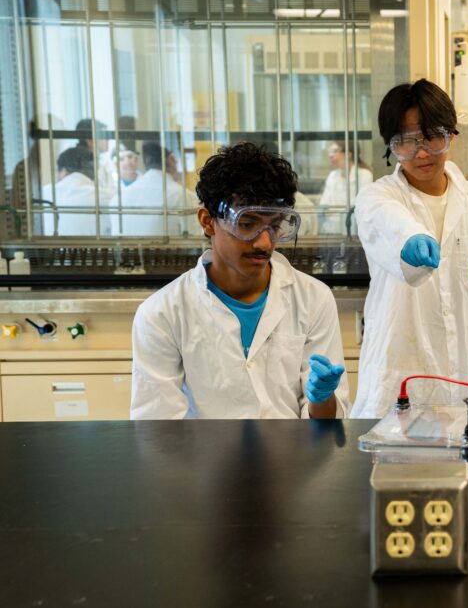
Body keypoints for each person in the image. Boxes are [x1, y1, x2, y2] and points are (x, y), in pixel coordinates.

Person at [130, 141, 349, 419]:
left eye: (275, 225)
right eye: (247, 224)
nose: (264, 242)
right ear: (208, 221)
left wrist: (322, 398)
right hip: (205, 460)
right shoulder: (162, 313)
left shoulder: (314, 298)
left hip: (295, 458)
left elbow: (327, 422)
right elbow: (157, 428)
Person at [352, 79, 468, 418]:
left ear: (451, 134)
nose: (421, 152)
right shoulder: (377, 197)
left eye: (432, 136)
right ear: (390, 146)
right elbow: (387, 219)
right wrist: (410, 238)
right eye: (405, 141)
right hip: (395, 388)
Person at [108, 141, 195, 237]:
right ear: (171, 159)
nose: (127, 162)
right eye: (121, 159)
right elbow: (196, 239)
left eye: (130, 157)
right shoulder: (182, 196)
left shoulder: (117, 199)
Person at [41, 145, 110, 236]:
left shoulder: (41, 193)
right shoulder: (109, 197)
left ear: (64, 171)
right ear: (93, 173)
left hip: (44, 249)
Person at [320, 141, 373, 234]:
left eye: (335, 151)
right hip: (331, 231)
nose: (330, 155)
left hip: (355, 231)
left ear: (349, 154)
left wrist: (335, 212)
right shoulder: (332, 176)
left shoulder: (365, 175)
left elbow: (361, 207)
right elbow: (324, 206)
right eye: (330, 151)